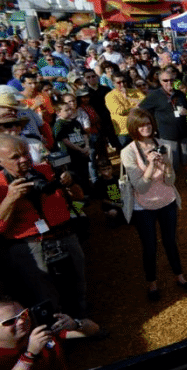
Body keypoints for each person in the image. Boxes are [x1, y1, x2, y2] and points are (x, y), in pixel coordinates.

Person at [0, 135, 99, 330]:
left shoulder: (45, 170)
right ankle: (57, 336)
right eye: (15, 157)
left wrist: (70, 183)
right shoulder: (1, 186)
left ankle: (82, 323)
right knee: (44, 292)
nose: (24, 160)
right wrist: (10, 199)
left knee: (78, 280)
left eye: (26, 154)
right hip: (29, 243)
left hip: (64, 233)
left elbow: (79, 197)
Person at [121, 108, 187, 301]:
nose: (145, 128)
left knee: (171, 241)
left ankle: (180, 277)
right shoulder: (128, 152)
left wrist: (168, 166)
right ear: (133, 128)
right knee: (150, 247)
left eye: (148, 123)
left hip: (167, 201)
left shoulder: (164, 145)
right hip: (143, 206)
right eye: (141, 125)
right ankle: (152, 284)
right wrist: (151, 166)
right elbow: (141, 187)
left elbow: (171, 181)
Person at [139, 69, 187, 189]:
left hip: (184, 134)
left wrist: (186, 112)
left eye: (171, 80)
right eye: (165, 80)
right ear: (160, 81)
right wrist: (151, 127)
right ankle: (172, 183)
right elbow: (141, 109)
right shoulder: (154, 96)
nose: (169, 83)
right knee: (172, 162)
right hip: (167, 136)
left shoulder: (180, 94)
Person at [0, 295, 92, 369]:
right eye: (10, 321)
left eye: (23, 314)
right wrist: (29, 355)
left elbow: (94, 329)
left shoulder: (41, 331)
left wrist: (76, 324)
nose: (21, 321)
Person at [105, 72, 144, 148]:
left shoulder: (135, 91)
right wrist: (136, 106)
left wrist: (128, 98)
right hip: (124, 130)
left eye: (123, 81)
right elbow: (120, 111)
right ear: (113, 83)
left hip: (139, 127)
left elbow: (145, 103)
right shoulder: (110, 96)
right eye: (119, 82)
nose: (122, 84)